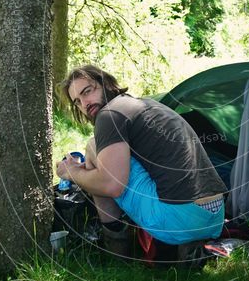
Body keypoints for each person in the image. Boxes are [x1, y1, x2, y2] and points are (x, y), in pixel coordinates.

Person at [55, 65, 227, 258]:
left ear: (107, 84)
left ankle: (117, 253)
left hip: (177, 218)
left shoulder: (109, 114)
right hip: (215, 216)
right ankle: (188, 248)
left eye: (87, 91)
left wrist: (72, 172)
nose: (85, 103)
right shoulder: (146, 105)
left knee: (93, 147)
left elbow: (112, 186)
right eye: (77, 101)